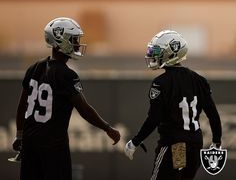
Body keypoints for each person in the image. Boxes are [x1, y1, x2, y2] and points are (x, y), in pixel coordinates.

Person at [12, 17, 120, 180]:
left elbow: (22, 107)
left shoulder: (34, 67)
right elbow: (84, 109)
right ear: (60, 41)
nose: (77, 44)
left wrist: (20, 136)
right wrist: (107, 128)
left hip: (29, 142)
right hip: (52, 146)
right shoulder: (66, 74)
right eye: (74, 39)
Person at [124, 30, 222, 180]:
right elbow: (213, 114)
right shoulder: (200, 80)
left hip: (177, 145)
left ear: (171, 53)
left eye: (156, 51)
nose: (152, 55)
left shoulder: (161, 82)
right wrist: (216, 141)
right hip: (195, 144)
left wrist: (136, 141)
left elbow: (154, 118)